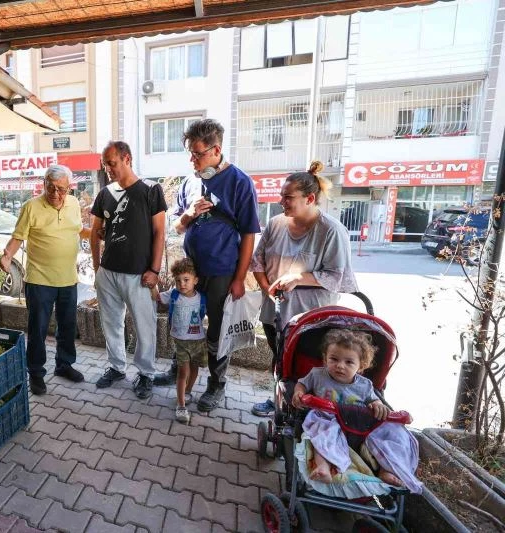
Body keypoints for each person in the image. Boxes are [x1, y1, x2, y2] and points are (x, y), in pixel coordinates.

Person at [155, 119, 261, 413]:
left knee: (216, 330)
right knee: (182, 319)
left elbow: (249, 234)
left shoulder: (240, 182)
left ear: (216, 150)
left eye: (198, 153)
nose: (193, 159)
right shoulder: (189, 182)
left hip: (222, 271)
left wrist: (239, 279)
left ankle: (216, 384)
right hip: (190, 272)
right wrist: (188, 214)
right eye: (190, 153)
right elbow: (176, 226)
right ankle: (178, 369)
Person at [250, 161, 358, 417]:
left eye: (288, 197)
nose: (281, 202)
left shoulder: (331, 231)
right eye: (281, 196)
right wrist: (266, 289)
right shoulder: (276, 224)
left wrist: (299, 277)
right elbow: (258, 261)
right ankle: (278, 399)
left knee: (310, 365)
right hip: (275, 312)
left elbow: (337, 276)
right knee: (280, 359)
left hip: (312, 317)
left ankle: (313, 408)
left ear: (309, 199)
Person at [292, 329, 422, 494]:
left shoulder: (365, 385)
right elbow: (301, 384)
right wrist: (299, 393)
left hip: (359, 426)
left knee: (394, 433)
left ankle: (387, 469)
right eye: (334, 359)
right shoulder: (317, 375)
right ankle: (323, 466)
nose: (340, 365)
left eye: (349, 362)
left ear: (361, 366)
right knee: (322, 434)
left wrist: (377, 405)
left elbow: (373, 399)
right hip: (329, 419)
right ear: (325, 358)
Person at [0, 164, 91, 395]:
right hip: (39, 279)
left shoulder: (73, 204)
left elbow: (78, 229)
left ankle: (64, 365)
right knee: (38, 329)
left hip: (68, 278)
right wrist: (7, 257)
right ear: (44, 184)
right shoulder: (31, 207)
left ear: (69, 188)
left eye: (61, 189)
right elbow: (18, 237)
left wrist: (98, 233)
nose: (56, 194)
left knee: (67, 326)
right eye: (51, 188)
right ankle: (36, 373)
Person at [90, 141, 167, 399]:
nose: (108, 169)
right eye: (105, 165)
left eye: (112, 163)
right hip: (108, 273)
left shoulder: (150, 190)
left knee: (144, 326)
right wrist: (97, 269)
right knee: (111, 323)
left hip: (139, 274)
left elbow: (160, 233)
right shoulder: (105, 193)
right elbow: (95, 232)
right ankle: (116, 367)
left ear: (127, 159)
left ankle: (146, 373)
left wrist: (155, 270)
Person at [152, 258, 207, 424]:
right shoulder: (173, 294)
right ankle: (181, 405)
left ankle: (188, 392)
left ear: (195, 280)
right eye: (178, 281)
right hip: (181, 342)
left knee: (195, 369)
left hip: (198, 341)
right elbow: (157, 297)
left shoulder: (202, 298)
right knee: (182, 372)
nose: (182, 284)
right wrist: (153, 283)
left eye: (186, 280)